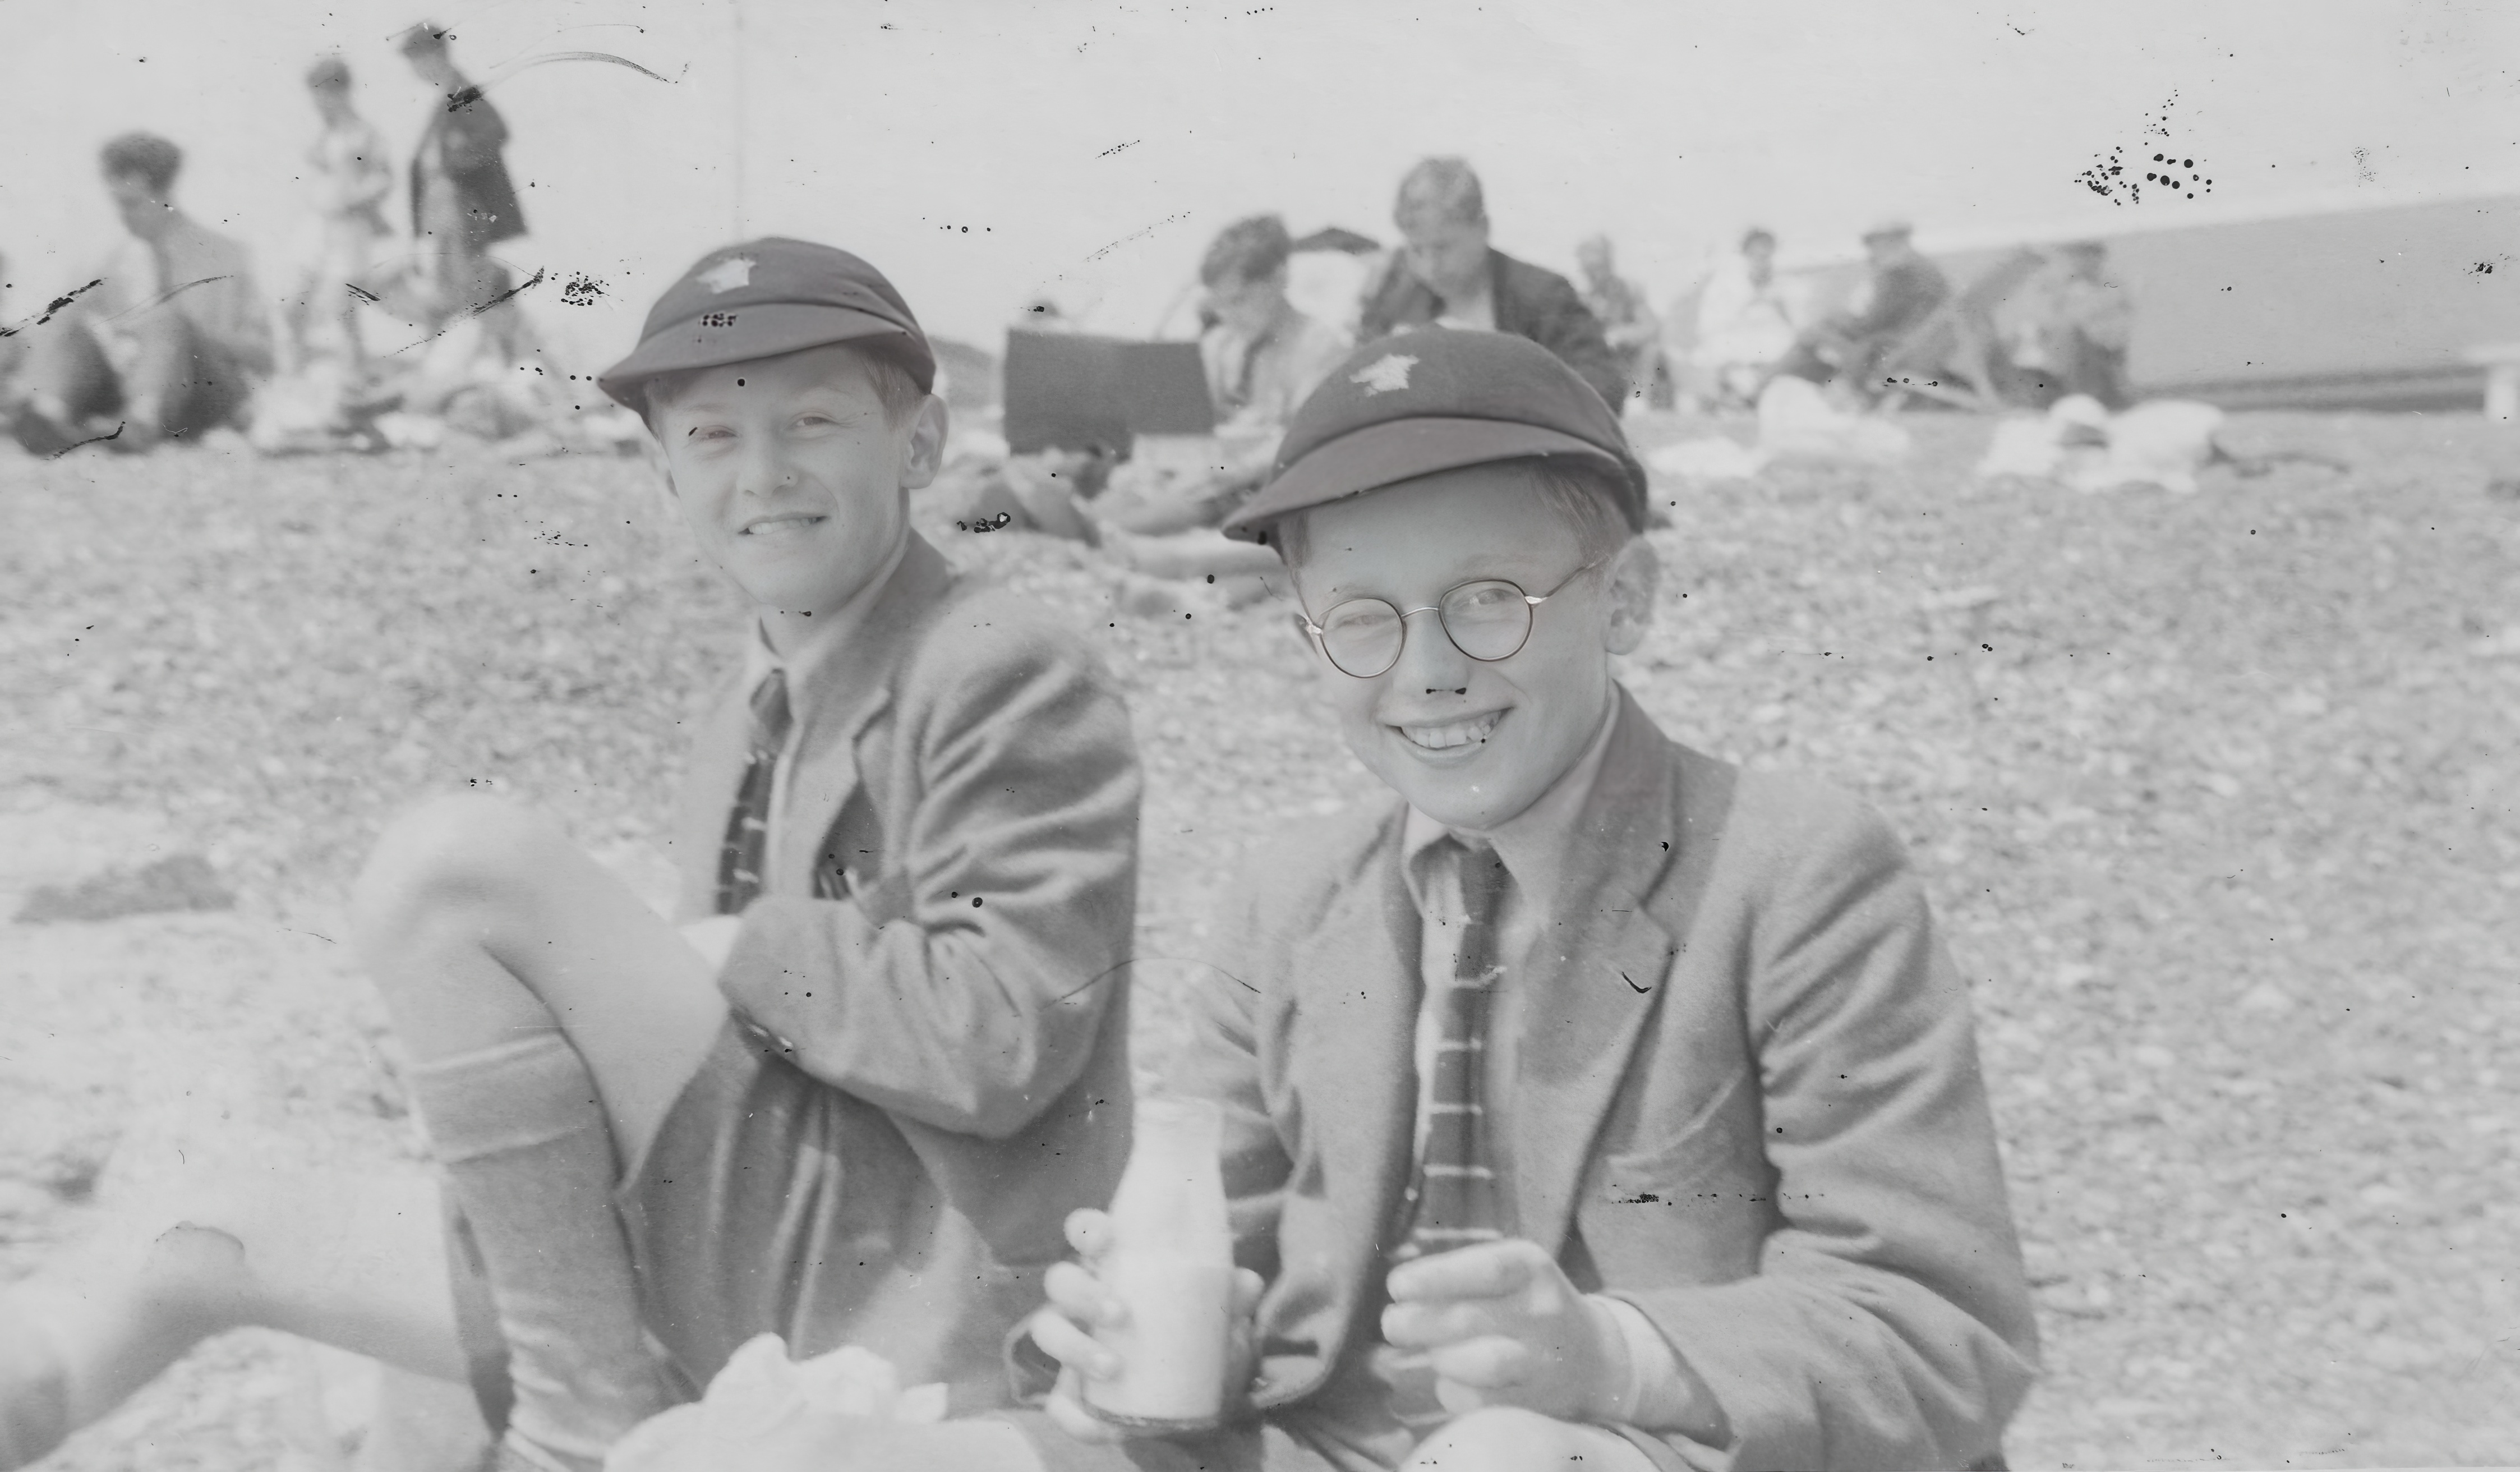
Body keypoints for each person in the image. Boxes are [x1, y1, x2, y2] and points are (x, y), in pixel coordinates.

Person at [772, 328, 2038, 1472]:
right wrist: (1139, 1334)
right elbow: (1232, 1263)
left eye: (1487, 603)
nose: (1427, 672)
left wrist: (1605, 1353)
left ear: (1626, 599)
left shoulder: (1787, 869)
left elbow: (1938, 1323)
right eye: (1361, 620)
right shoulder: (1288, 897)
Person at [0, 240, 1142, 1472]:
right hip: (741, 1249)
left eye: (812, 422)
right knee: (194, 1235)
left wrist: (727, 944)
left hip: (903, 1300)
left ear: (919, 444)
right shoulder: (744, 709)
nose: (762, 472)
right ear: (664, 472)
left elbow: (1005, 1035)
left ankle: (575, 1428)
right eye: (711, 436)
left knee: (453, 871)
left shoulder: (993, 661)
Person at [1094, 214, 1350, 613]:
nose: (1230, 315)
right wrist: (1161, 459)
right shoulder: (1219, 344)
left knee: (1276, 535)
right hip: (1211, 479)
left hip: (1268, 483)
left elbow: (1304, 437)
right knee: (1132, 494)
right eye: (1219, 305)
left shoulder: (1319, 346)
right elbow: (1190, 422)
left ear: (1279, 278)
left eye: (1240, 300)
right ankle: (1117, 542)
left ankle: (1154, 563)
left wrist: (1231, 470)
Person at [6, 132, 273, 456]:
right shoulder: (113, 260)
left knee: (165, 320)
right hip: (128, 386)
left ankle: (141, 423)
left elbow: (265, 355)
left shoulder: (225, 256)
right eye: (117, 203)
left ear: (166, 194)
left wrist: (179, 336)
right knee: (69, 324)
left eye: (132, 204)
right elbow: (57, 331)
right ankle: (48, 416)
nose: (123, 215)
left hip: (204, 390)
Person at [1358, 158, 1627, 411]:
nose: (1431, 268)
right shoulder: (1396, 295)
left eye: (1443, 248)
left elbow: (1605, 384)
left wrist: (1499, 379)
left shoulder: (1542, 295)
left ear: (1483, 229)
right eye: (1416, 250)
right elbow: (1357, 375)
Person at [399, 22, 526, 328]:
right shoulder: (445, 95)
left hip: (460, 206)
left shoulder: (461, 91)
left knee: (468, 282)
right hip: (442, 208)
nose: (415, 70)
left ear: (437, 55)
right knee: (453, 282)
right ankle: (494, 341)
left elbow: (495, 131)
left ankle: (504, 342)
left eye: (418, 60)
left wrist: (454, 164)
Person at [281, 54, 395, 371]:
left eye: (322, 94)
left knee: (342, 310)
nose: (317, 103)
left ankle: (354, 377)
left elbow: (385, 179)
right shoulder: (324, 133)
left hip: (350, 229)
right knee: (293, 302)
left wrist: (355, 200)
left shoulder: (366, 134)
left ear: (341, 93)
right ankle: (296, 368)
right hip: (317, 226)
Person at [1763, 218, 1949, 400]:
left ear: (1898, 242)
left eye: (1879, 245)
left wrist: (1839, 320)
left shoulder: (1900, 274)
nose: (1874, 252)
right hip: (1911, 347)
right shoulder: (1925, 270)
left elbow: (1872, 323)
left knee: (1812, 336)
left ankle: (1764, 385)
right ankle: (1771, 383)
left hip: (1888, 350)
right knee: (1818, 335)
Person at [2006, 240, 2135, 409]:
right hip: (2064, 350)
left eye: (2089, 255)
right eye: (2077, 256)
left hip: (2099, 347)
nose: (2083, 261)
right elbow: (2046, 318)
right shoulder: (2060, 286)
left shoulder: (2112, 285)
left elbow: (2119, 323)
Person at [1690, 227, 1806, 408]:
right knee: (1724, 356)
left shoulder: (1782, 283)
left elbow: (1797, 325)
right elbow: (1711, 322)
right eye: (1757, 256)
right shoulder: (1725, 283)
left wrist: (1777, 303)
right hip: (1735, 339)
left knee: (1787, 351)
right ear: (1746, 256)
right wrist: (1750, 298)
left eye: (1767, 256)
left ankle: (1755, 392)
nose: (1762, 262)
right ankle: (1742, 393)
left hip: (1770, 342)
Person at [1573, 234, 1665, 411]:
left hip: (1624, 357)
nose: (1595, 273)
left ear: (1609, 263)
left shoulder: (1628, 289)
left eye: (1599, 266)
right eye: (1590, 268)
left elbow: (1650, 327)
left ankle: (1638, 399)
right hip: (1594, 358)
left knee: (1651, 349)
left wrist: (1621, 334)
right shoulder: (1578, 296)